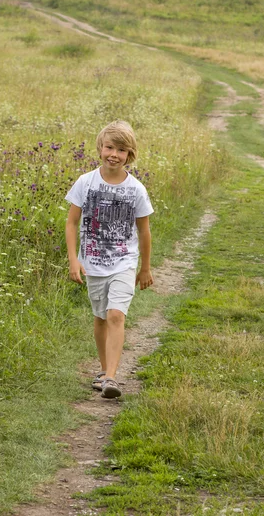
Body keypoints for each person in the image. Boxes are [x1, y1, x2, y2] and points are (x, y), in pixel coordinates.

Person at [65, 120, 154, 399]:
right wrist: (73, 260)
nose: (114, 154)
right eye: (109, 147)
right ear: (100, 148)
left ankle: (112, 377)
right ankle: (104, 371)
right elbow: (71, 223)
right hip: (92, 262)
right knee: (101, 317)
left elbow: (144, 230)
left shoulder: (136, 189)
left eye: (121, 150)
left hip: (124, 262)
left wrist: (145, 268)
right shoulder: (85, 182)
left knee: (116, 314)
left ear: (130, 154)